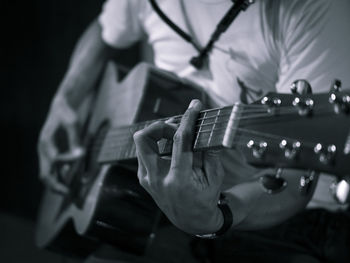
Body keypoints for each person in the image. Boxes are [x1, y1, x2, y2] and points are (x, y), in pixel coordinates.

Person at [38, 0, 350, 262]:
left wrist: (215, 216)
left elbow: (296, 182)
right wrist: (65, 100)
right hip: (166, 196)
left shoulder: (312, 9)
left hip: (285, 215)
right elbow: (106, 29)